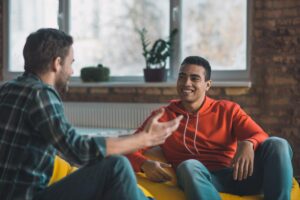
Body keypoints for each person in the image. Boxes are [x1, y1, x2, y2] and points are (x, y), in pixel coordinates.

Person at [0, 28, 183, 200]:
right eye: (71, 63)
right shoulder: (41, 93)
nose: (72, 71)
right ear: (57, 63)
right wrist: (144, 139)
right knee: (117, 167)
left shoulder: (7, 89)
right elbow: (78, 151)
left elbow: (65, 140)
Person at [127, 56, 293, 200]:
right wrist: (144, 164)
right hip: (197, 179)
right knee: (189, 165)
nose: (186, 83)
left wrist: (249, 143)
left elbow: (260, 134)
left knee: (278, 143)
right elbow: (128, 147)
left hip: (239, 175)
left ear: (207, 85)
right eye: (182, 77)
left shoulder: (228, 109)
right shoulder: (163, 117)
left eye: (194, 78)